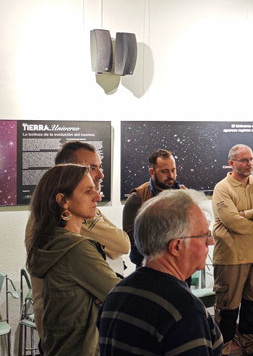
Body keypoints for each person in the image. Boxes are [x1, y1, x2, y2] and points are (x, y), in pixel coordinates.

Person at [24, 141, 130, 340]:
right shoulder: (73, 242)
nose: (100, 175)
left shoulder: (47, 220)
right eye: (92, 168)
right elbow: (122, 244)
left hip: (60, 329)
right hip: (77, 331)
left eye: (100, 167)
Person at [99, 189, 223, 355]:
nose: (211, 241)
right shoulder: (184, 310)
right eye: (204, 235)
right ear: (177, 246)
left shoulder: (117, 293)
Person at [212, 144, 253, 356]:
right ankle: (222, 350)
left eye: (251, 159)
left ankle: (251, 346)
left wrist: (249, 214)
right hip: (231, 257)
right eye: (244, 160)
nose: (250, 163)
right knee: (228, 309)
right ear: (231, 163)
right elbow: (234, 223)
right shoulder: (222, 188)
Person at [122, 149, 187, 269]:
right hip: (149, 269)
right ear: (152, 171)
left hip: (181, 268)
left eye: (173, 170)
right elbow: (132, 240)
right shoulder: (137, 198)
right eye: (165, 172)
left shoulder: (185, 195)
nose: (171, 176)